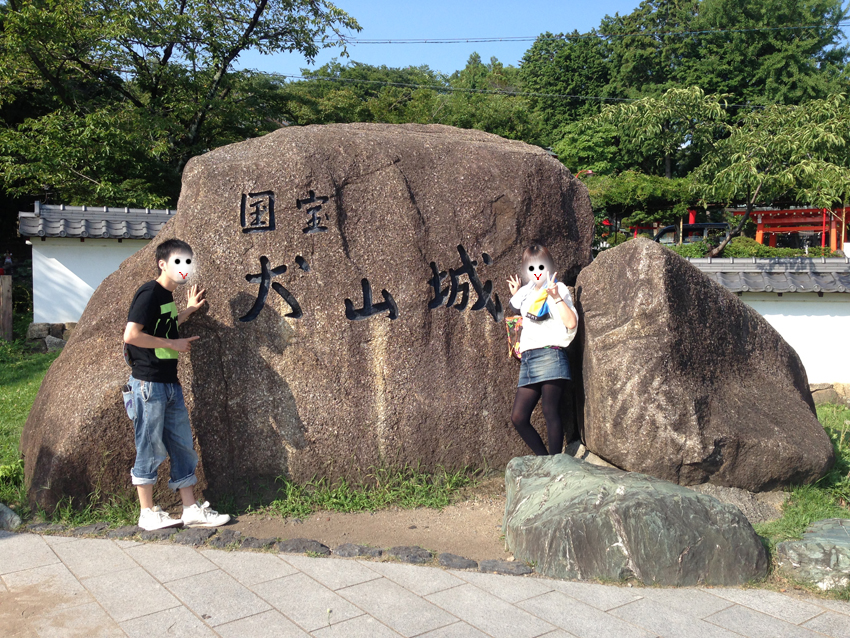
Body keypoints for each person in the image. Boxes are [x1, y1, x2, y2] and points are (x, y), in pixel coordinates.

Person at [123, 238, 231, 531]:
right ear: (163, 264)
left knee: (183, 446)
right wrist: (173, 344)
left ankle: (190, 509)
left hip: (169, 383)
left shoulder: (166, 297)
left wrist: (189, 310)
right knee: (149, 446)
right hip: (148, 384)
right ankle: (147, 513)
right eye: (178, 261)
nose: (185, 268)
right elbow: (131, 335)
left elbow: (166, 324)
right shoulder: (149, 292)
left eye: (188, 262)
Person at [506, 244, 578, 456]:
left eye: (540, 266)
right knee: (518, 417)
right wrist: (517, 292)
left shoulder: (558, 288)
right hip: (529, 358)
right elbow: (520, 309)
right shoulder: (527, 293)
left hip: (550, 355)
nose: (536, 272)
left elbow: (571, 322)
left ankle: (555, 464)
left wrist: (555, 296)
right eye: (531, 268)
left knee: (550, 411)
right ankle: (545, 460)